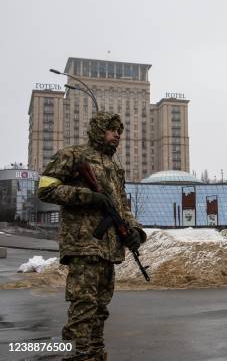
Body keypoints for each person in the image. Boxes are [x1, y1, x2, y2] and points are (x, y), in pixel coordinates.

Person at [38, 112, 146, 360]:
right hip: (83, 245)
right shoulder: (74, 155)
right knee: (83, 309)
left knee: (100, 310)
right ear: (98, 130)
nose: (117, 135)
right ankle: (76, 355)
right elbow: (46, 189)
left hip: (108, 249)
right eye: (112, 130)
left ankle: (95, 355)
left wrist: (135, 232)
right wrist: (86, 196)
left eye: (119, 131)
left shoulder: (114, 167)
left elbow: (121, 206)